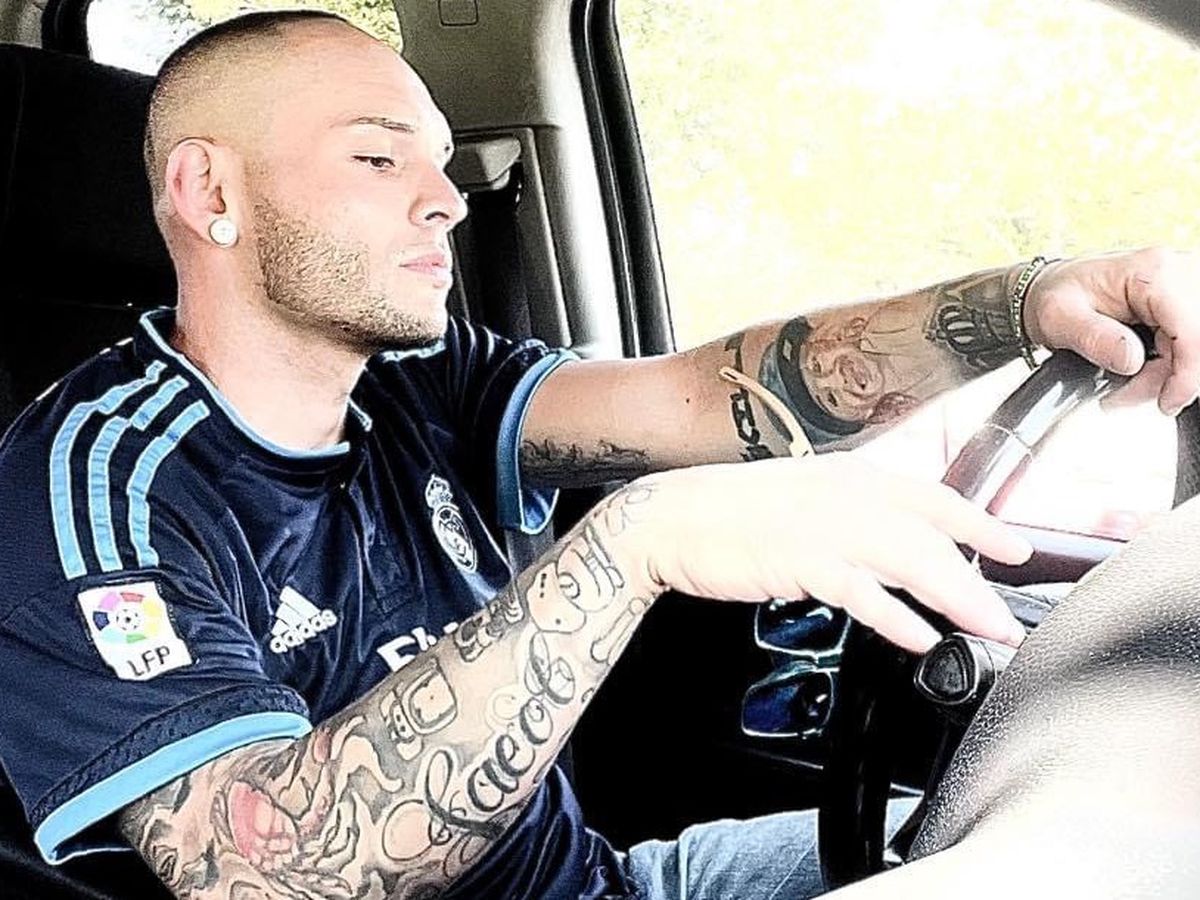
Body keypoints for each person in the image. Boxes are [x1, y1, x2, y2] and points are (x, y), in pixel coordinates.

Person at [0, 10, 1197, 900]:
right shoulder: (92, 489)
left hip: (609, 883)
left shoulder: (421, 378)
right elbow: (258, 872)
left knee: (1075, 839)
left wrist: (1025, 303)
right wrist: (637, 544)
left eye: (441, 160)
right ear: (208, 188)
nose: (446, 200)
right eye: (378, 158)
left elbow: (711, 395)